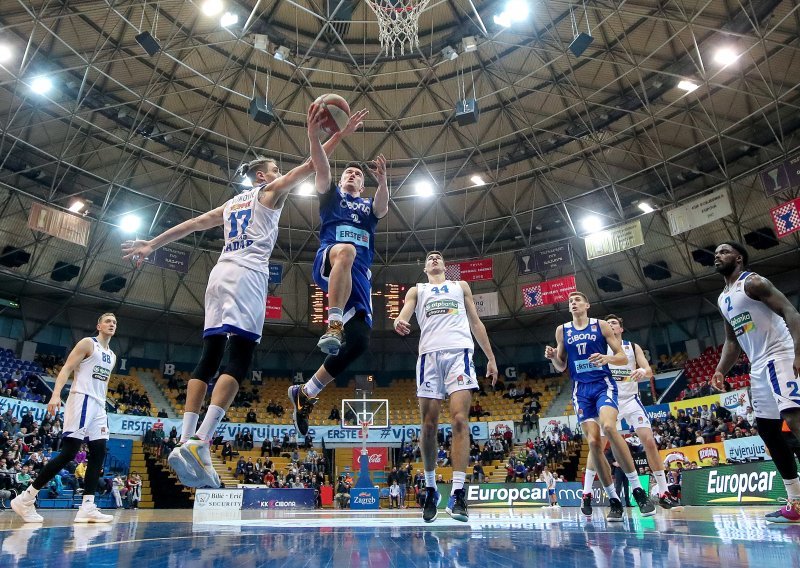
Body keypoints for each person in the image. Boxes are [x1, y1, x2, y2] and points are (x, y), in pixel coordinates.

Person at [122, 106, 367, 488]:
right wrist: (333, 134)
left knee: (209, 356)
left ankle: (186, 437)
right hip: (247, 274)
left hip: (218, 274)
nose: (277, 173)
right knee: (239, 358)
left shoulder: (228, 206)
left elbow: (193, 224)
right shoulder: (267, 191)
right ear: (262, 175)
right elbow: (311, 163)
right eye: (272, 169)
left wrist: (152, 243)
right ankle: (201, 440)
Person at [288, 107, 389, 436]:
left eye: (357, 175)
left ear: (363, 184)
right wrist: (314, 138)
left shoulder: (368, 207)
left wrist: (384, 181)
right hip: (329, 259)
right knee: (346, 250)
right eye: (348, 172)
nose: (352, 176)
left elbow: (383, 207)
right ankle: (332, 323)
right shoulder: (331, 197)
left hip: (358, 278)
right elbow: (320, 166)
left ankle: (306, 394)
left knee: (359, 343)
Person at [393, 251, 498, 522]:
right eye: (429, 257)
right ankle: (430, 490)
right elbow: (405, 312)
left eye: (438, 256)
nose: (435, 258)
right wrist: (399, 320)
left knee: (460, 420)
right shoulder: (418, 290)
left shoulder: (460, 286)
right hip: (429, 356)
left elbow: (475, 321)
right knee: (428, 425)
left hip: (459, 354)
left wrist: (491, 358)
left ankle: (458, 494)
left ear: (445, 265)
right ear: (425, 267)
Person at [545, 292, 655, 522]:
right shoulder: (562, 330)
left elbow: (621, 358)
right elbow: (561, 366)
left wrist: (607, 359)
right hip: (581, 391)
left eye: (577, 300)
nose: (573, 303)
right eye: (570, 301)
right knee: (594, 442)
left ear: (587, 304)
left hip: (603, 385)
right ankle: (613, 499)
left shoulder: (601, 326)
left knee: (609, 427)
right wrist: (554, 357)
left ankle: (637, 490)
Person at [712, 241, 800, 523]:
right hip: (758, 365)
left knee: (794, 418)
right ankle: (796, 501)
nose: (717, 256)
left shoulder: (754, 283)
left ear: (738, 258)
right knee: (768, 431)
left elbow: (791, 313)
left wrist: (799, 352)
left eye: (724, 252)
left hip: (780, 353)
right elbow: (731, 340)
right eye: (715, 253)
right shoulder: (723, 297)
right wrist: (720, 370)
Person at [11, 313, 118, 524]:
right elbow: (67, 368)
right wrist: (56, 394)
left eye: (114, 322)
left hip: (98, 405)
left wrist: (103, 406)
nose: (112, 324)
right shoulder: (89, 343)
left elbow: (103, 383)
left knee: (99, 452)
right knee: (69, 452)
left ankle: (88, 506)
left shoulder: (112, 355)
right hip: (82, 399)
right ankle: (26, 497)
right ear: (98, 325)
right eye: (108, 321)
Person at [581, 314, 682, 515]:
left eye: (614, 323)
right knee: (596, 446)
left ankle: (663, 492)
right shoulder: (601, 347)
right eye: (607, 323)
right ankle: (587, 493)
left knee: (649, 441)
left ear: (620, 329)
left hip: (631, 400)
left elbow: (648, 369)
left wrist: (643, 372)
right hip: (609, 401)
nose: (610, 325)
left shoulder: (632, 347)